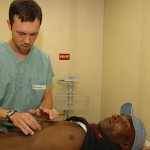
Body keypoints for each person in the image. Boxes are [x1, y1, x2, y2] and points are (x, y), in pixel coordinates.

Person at [0, 0, 58, 136]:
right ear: (9, 24)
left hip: (29, 132)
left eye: (33, 34)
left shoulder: (44, 60)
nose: (27, 41)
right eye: (21, 33)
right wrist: (11, 115)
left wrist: (45, 109)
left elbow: (47, 96)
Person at [0, 102, 147, 150]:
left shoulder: (79, 139)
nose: (116, 116)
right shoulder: (91, 133)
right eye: (120, 115)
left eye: (124, 123)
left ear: (125, 144)